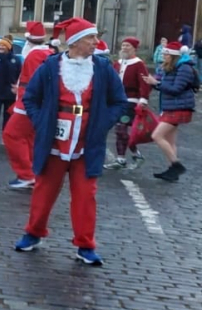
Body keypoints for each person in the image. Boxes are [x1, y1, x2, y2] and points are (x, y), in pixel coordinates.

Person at [14, 18, 128, 266]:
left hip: (87, 145)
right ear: (75, 41)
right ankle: (33, 233)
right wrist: (40, 122)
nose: (95, 42)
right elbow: (30, 98)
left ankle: (85, 245)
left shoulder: (102, 68)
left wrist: (102, 123)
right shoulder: (50, 67)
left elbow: (119, 101)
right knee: (44, 192)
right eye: (91, 38)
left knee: (86, 196)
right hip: (54, 143)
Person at [3, 21, 54, 189]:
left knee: (12, 135)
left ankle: (26, 174)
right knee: (29, 138)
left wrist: (22, 93)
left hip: (27, 103)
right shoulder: (47, 53)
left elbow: (34, 82)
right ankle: (33, 171)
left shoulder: (34, 55)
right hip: (34, 102)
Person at [145, 41, 196, 182]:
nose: (163, 55)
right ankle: (172, 172)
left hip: (178, 108)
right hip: (171, 107)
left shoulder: (184, 68)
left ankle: (176, 165)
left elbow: (175, 89)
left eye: (165, 53)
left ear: (173, 55)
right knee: (170, 140)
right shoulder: (170, 67)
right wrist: (153, 83)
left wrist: (157, 83)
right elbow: (164, 86)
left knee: (157, 136)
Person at [107, 37, 151, 170]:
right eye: (123, 45)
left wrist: (143, 99)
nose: (124, 48)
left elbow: (145, 83)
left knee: (121, 127)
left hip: (131, 101)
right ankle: (132, 155)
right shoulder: (118, 63)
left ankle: (122, 158)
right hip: (117, 101)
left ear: (134, 49)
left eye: (127, 46)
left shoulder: (139, 64)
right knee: (122, 130)